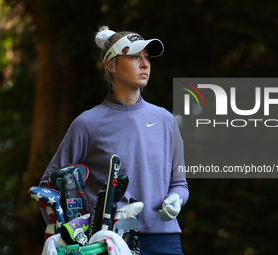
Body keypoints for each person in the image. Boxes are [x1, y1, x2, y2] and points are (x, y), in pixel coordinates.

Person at [39, 26, 189, 254]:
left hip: (165, 240)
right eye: (134, 57)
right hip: (109, 243)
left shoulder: (165, 120)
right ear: (111, 65)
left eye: (147, 58)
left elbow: (179, 183)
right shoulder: (88, 123)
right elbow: (49, 187)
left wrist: (176, 199)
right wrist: (73, 236)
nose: (144, 64)